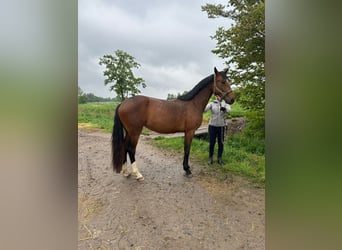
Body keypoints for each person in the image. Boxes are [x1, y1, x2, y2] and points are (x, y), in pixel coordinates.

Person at [204, 95, 231, 165]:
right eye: (217, 95)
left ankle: (219, 158)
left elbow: (229, 111)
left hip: (221, 126)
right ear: (216, 96)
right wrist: (204, 102)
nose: (218, 97)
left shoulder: (225, 103)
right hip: (212, 126)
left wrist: (224, 108)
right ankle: (210, 158)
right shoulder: (212, 103)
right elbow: (205, 110)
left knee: (221, 143)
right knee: (212, 143)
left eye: (220, 96)